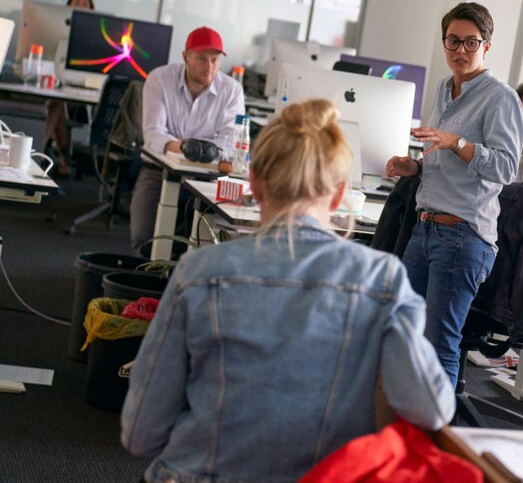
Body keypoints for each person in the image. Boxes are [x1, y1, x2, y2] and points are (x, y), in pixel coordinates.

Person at [121, 99, 455, 482]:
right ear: (338, 194)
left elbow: (139, 434)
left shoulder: (199, 273)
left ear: (256, 185)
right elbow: (433, 409)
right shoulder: (383, 281)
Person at [385, 2, 523, 386]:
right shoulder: (444, 90)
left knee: (439, 345)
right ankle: (404, 428)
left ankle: (439, 440)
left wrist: (458, 142)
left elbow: (505, 168)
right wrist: (414, 167)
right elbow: (440, 159)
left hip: (461, 237)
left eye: (470, 42)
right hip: (425, 228)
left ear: (487, 46)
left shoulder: (500, 98)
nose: (460, 50)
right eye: (452, 41)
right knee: (402, 333)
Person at [129, 26, 244, 253]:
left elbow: (229, 142)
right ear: (185, 57)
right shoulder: (160, 79)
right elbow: (153, 134)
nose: (208, 67)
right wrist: (183, 147)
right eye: (201, 58)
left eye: (215, 60)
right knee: (144, 237)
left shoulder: (232, 90)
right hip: (159, 170)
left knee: (204, 239)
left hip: (207, 177)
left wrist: (192, 149)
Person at [42, 0, 95, 176]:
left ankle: (41, 153)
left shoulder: (95, 35)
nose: (80, 6)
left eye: (84, 3)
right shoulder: (54, 28)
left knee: (55, 104)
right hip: (56, 86)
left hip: (83, 95)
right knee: (56, 103)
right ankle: (63, 160)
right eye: (76, 2)